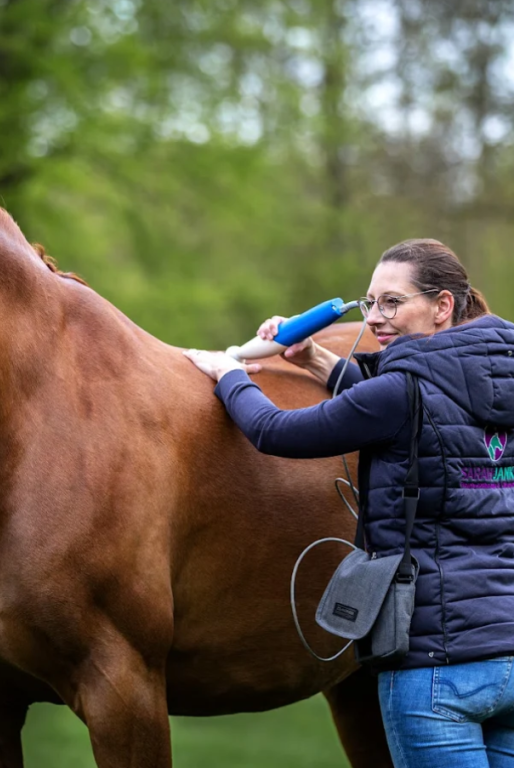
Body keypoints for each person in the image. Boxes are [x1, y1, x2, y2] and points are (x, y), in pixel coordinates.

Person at [184, 239, 514, 768]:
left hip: (434, 671)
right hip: (508, 661)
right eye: (370, 303)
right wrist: (314, 357)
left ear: (443, 305)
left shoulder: (398, 393)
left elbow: (275, 432)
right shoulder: (499, 377)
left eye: (391, 302)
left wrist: (229, 377)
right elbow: (411, 407)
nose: (376, 318)